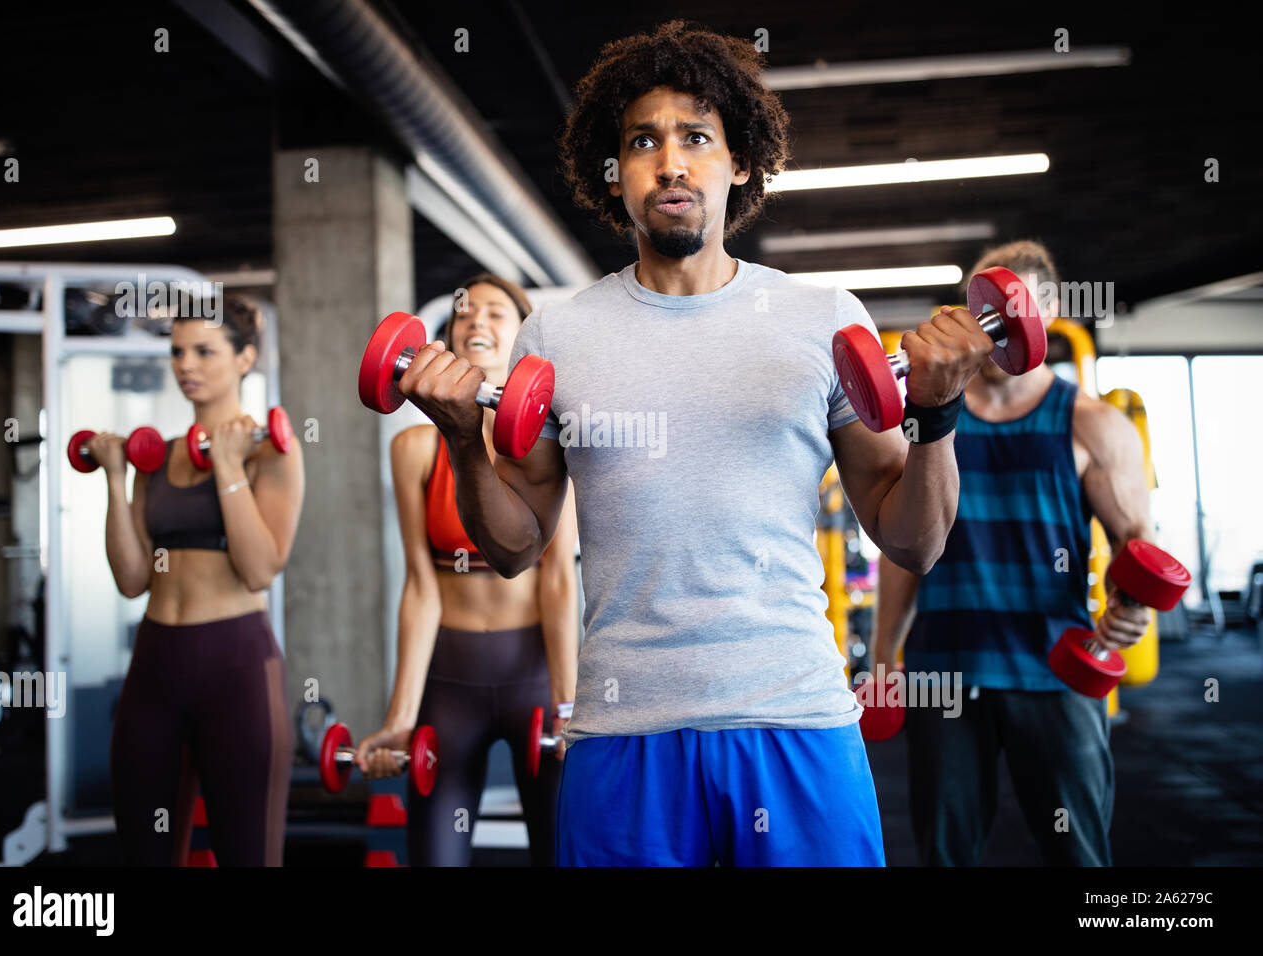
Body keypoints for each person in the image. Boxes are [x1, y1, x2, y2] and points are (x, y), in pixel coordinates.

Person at [393, 20, 994, 866]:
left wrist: (935, 419)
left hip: (793, 720)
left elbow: (913, 539)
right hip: (623, 729)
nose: (671, 161)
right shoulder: (556, 335)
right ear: (616, 172)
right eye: (643, 141)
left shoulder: (822, 319)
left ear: (739, 160)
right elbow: (516, 546)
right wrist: (461, 442)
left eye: (696, 137)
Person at [870, 240, 1154, 866]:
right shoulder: (928, 420)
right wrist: (886, 653)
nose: (988, 326)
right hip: (944, 670)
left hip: (1053, 670)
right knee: (946, 855)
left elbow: (1139, 547)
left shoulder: (1092, 424)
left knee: (1078, 857)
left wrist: (1130, 607)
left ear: (1048, 312)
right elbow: (902, 549)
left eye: (1009, 310)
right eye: (980, 307)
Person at [354, 274, 579, 867]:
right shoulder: (412, 452)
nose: (476, 321)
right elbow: (420, 587)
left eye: (495, 314)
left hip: (532, 678)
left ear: (523, 339)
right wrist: (399, 717)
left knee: (560, 852)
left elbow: (557, 579)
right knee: (436, 856)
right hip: (450, 685)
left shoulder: (549, 442)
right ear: (448, 340)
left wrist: (568, 703)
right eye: (464, 314)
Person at [94, 294, 304, 866]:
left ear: (244, 359)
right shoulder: (156, 458)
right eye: (178, 351)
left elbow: (261, 568)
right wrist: (116, 479)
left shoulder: (271, 452)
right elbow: (133, 579)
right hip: (155, 664)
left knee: (247, 854)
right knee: (145, 852)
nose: (186, 364)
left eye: (204, 351)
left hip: (234, 666)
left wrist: (230, 464)